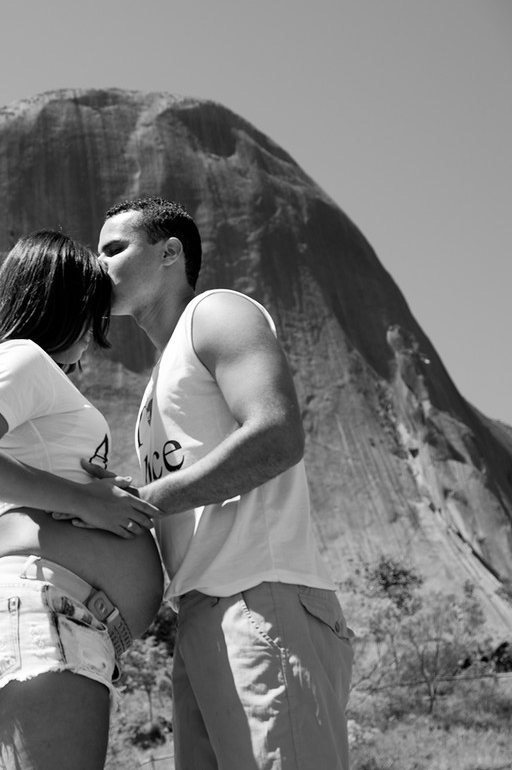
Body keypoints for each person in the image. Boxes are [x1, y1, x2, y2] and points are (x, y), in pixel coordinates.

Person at [71, 196, 353, 770]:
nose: (99, 266)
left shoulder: (217, 313)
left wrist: (147, 498)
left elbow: (277, 434)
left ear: (170, 252)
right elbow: (187, 490)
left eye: (114, 249)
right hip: (199, 613)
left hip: (259, 597)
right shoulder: (157, 384)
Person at [0, 230, 164, 770]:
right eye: (93, 316)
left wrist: (45, 517)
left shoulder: (28, 390)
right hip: (44, 617)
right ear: (65, 303)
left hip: (46, 618)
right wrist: (86, 506)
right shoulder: (25, 358)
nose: (93, 337)